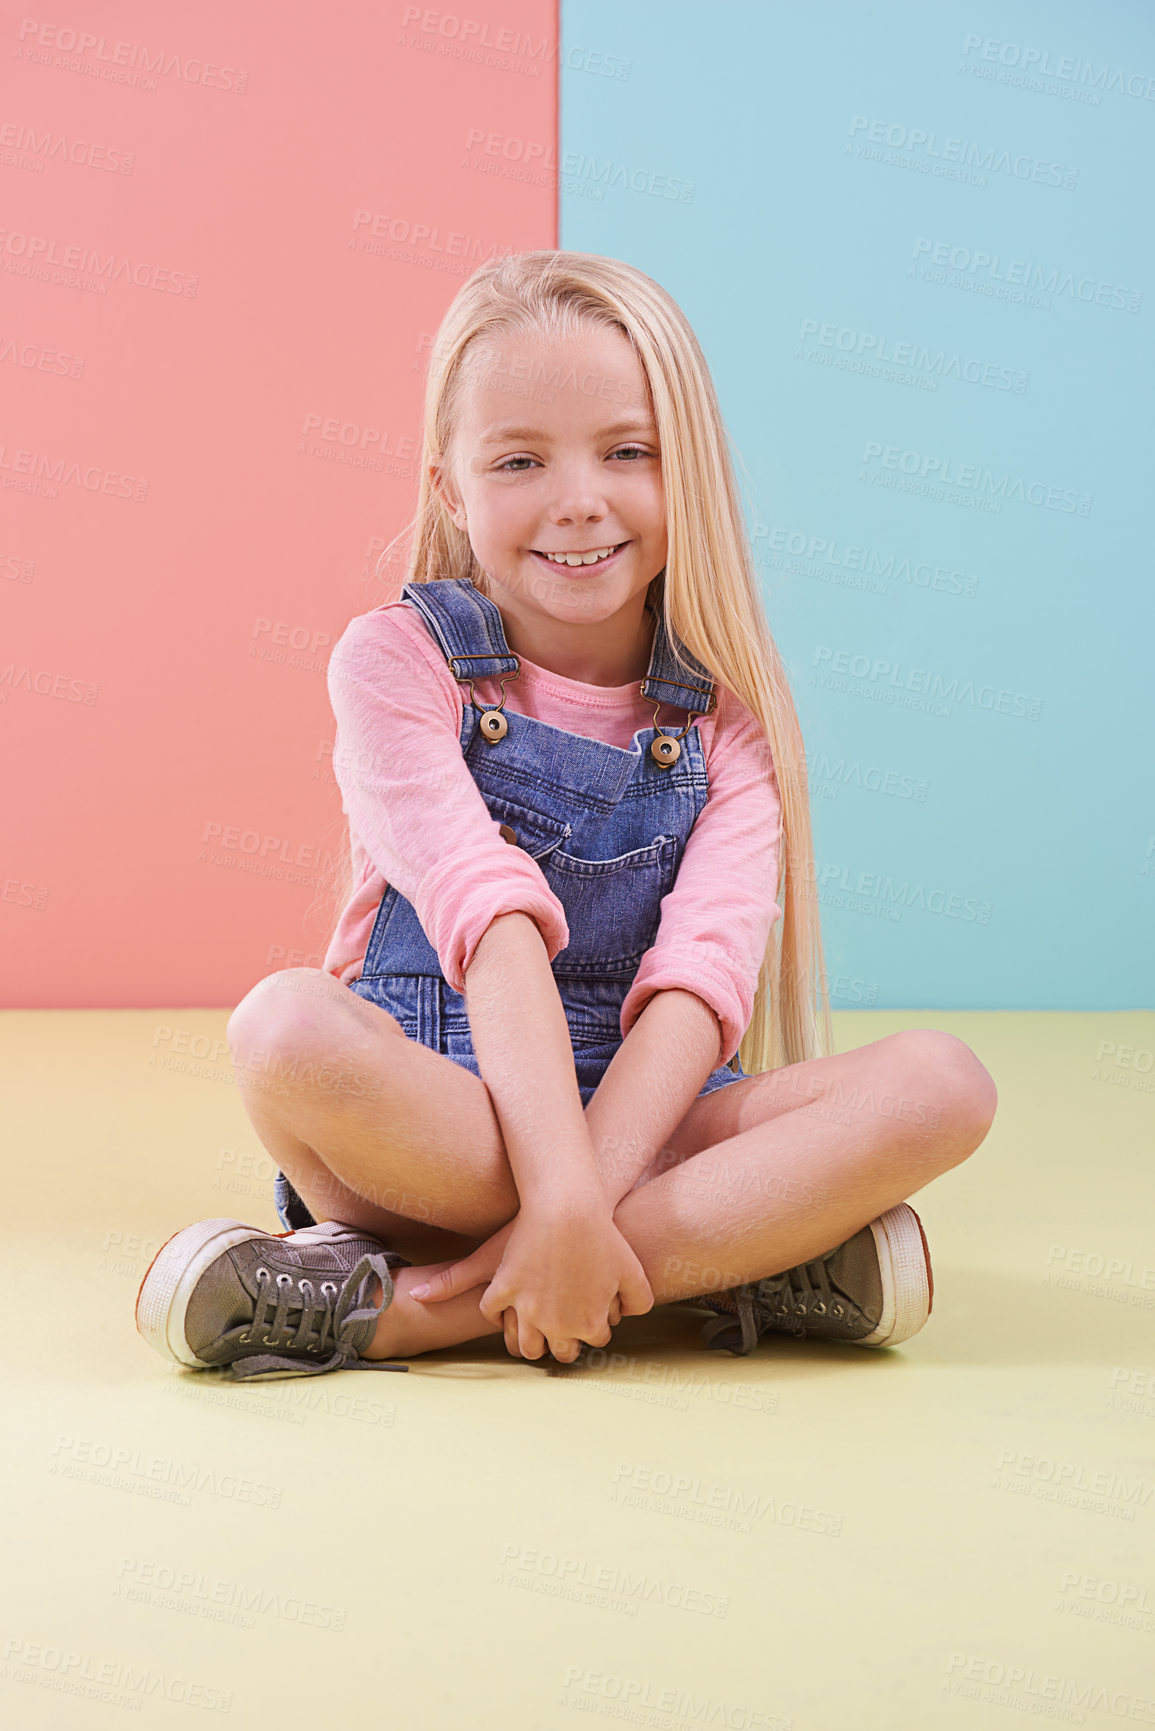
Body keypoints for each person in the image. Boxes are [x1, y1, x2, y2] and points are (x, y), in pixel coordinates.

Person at [135, 250, 998, 1383]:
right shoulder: (399, 664)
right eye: (521, 459)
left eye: (627, 452)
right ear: (452, 487)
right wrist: (561, 1190)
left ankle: (418, 1306)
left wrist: (579, 1197)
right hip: (446, 1119)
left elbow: (700, 989)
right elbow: (490, 926)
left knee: (944, 1083)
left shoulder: (729, 725)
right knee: (284, 1033)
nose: (578, 498)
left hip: (655, 1112)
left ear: (685, 468)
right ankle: (731, 1252)